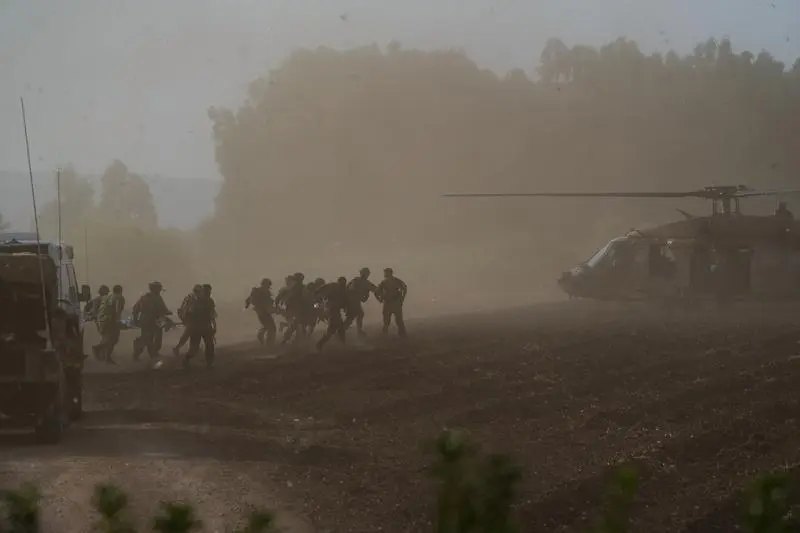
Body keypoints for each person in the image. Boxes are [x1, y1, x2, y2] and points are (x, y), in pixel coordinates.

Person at [131, 281, 172, 361]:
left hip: (147, 321)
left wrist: (136, 319)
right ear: (156, 289)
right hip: (154, 321)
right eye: (159, 289)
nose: (160, 290)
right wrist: (168, 313)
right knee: (152, 339)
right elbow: (163, 310)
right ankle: (142, 354)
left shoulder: (144, 297)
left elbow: (135, 309)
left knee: (148, 339)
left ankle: (151, 354)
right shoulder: (157, 298)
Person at [185, 284, 216, 368]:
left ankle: (209, 363)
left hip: (205, 326)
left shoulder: (209, 301)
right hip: (197, 327)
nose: (208, 293)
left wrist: (214, 326)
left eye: (208, 291)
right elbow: (189, 314)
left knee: (209, 346)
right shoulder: (195, 302)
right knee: (194, 348)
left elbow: (212, 315)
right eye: (206, 291)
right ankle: (186, 359)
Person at [315, 277, 350, 350]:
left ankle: (320, 344)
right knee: (339, 329)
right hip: (331, 311)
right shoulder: (333, 286)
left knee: (332, 331)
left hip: (334, 311)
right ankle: (343, 345)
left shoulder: (343, 290)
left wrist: (345, 308)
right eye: (342, 283)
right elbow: (320, 290)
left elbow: (345, 301)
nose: (343, 284)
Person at [345, 267, 377, 337]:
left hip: (353, 301)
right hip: (353, 302)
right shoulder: (364, 282)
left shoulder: (356, 280)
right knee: (355, 316)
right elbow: (375, 289)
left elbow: (347, 287)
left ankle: (357, 331)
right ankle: (344, 331)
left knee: (356, 316)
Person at [375, 268, 407, 338]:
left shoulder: (391, 281)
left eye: (385, 272)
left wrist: (380, 299)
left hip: (392, 303)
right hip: (390, 303)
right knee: (389, 321)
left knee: (395, 321)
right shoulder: (387, 282)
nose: (384, 274)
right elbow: (377, 292)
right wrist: (402, 298)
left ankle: (401, 335)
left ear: (389, 273)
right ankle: (387, 336)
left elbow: (404, 288)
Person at [245, 278, 277, 348]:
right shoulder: (264, 292)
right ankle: (269, 344)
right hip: (263, 312)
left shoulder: (257, 291)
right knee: (272, 328)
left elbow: (248, 299)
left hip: (261, 312)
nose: (269, 287)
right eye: (268, 285)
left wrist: (246, 306)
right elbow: (267, 303)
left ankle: (261, 336)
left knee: (268, 326)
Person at [173, 285, 202, 356]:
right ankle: (180, 348)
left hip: (189, 317)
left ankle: (192, 349)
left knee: (190, 333)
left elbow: (182, 309)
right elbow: (191, 310)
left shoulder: (190, 297)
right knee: (190, 333)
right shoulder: (194, 298)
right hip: (191, 318)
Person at [280, 272, 307, 345]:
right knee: (295, 325)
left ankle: (298, 340)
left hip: (300, 308)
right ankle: (286, 340)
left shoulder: (301, 287)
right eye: (299, 280)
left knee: (300, 325)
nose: (300, 281)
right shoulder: (294, 288)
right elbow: (289, 299)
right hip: (295, 309)